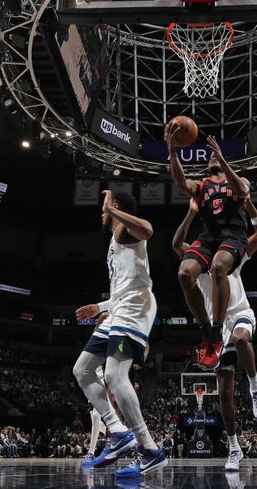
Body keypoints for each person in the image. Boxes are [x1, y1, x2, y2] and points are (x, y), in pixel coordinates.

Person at [75, 190, 167, 478]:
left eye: (105, 210)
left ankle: (149, 448)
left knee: (115, 375)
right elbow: (123, 287)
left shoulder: (125, 229)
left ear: (115, 207)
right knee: (83, 369)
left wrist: (114, 212)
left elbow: (148, 230)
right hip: (118, 308)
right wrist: (99, 307)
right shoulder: (114, 242)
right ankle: (117, 430)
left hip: (135, 307)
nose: (102, 214)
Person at [172, 196, 257, 471]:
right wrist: (191, 214)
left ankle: (255, 388)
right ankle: (235, 448)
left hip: (240, 313)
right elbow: (176, 244)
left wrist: (248, 203)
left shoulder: (232, 253)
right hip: (219, 328)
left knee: (240, 338)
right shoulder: (198, 256)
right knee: (224, 394)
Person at [166, 127, 250, 369]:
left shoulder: (237, 180)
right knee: (184, 273)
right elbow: (180, 182)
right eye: (211, 157)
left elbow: (243, 191)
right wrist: (173, 152)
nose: (212, 158)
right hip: (209, 236)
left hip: (233, 234)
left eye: (216, 156)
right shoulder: (201, 186)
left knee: (219, 267)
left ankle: (217, 329)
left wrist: (222, 159)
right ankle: (205, 329)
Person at [73, 310, 126, 468]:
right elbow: (102, 316)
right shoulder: (97, 338)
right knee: (96, 419)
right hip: (89, 383)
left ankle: (91, 451)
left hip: (102, 381)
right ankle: (120, 437)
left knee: (97, 416)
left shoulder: (116, 340)